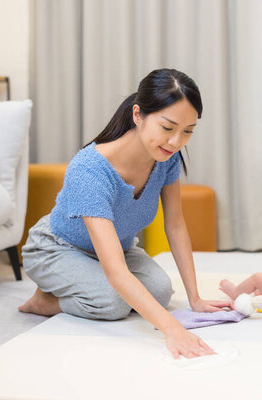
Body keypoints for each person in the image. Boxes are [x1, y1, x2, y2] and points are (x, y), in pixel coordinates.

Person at [19, 68, 232, 359]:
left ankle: (84, 287)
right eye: (167, 128)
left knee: (159, 291)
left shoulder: (165, 158)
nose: (175, 142)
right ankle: (43, 302)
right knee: (111, 303)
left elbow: (176, 225)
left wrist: (194, 298)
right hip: (58, 248)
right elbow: (116, 272)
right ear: (138, 114)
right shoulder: (90, 170)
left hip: (117, 248)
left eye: (187, 132)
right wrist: (173, 329)